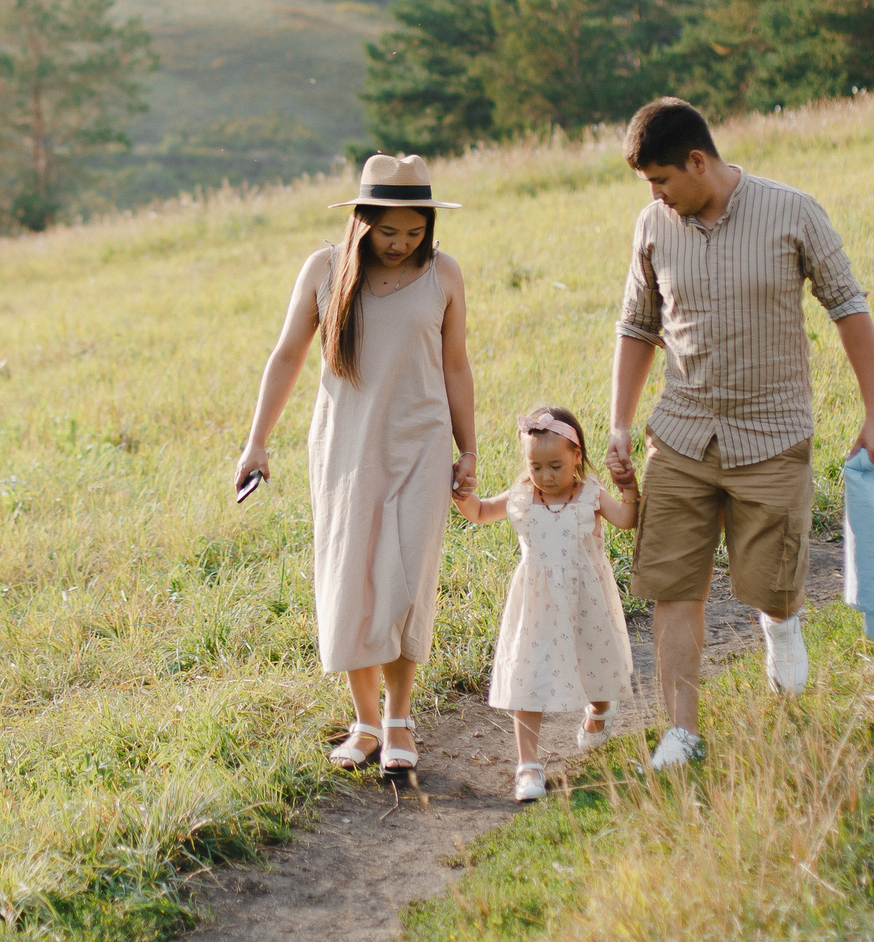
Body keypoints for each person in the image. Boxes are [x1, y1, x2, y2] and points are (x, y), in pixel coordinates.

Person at [605, 97, 874, 772]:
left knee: (770, 581)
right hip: (681, 436)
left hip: (771, 434)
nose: (655, 195)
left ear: (698, 161)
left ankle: (781, 624)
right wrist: (620, 421)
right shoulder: (653, 226)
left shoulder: (793, 211)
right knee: (674, 585)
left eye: (661, 179)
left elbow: (847, 305)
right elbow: (637, 325)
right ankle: (682, 729)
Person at [235, 153, 478, 775]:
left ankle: (399, 719)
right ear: (362, 222)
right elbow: (288, 355)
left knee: (404, 584)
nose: (402, 244)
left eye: (414, 232)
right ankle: (365, 723)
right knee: (352, 582)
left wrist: (468, 447)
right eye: (389, 231)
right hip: (345, 447)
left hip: (421, 446)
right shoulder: (326, 270)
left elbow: (455, 365)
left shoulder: (443, 275)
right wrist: (256, 441)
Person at [452, 404, 639, 801]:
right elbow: (482, 512)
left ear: (577, 456)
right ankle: (528, 765)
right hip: (535, 604)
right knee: (529, 678)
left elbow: (625, 519)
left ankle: (600, 709)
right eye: (536, 467)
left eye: (555, 465)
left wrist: (629, 489)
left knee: (593, 664)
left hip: (584, 598)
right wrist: (461, 496)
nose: (546, 476)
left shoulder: (590, 494)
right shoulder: (522, 495)